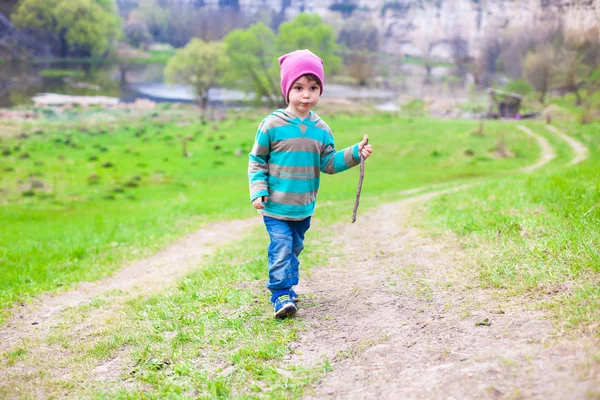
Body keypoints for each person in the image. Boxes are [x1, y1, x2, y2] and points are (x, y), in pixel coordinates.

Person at [248, 49, 373, 318]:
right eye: (299, 87)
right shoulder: (271, 124)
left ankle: (288, 288)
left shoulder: (322, 129)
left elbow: (328, 163)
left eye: (313, 87)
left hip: (303, 206)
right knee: (280, 247)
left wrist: (354, 154)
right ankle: (280, 294)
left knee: (293, 248)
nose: (306, 94)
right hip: (275, 205)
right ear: (287, 89)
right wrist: (258, 189)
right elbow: (257, 159)